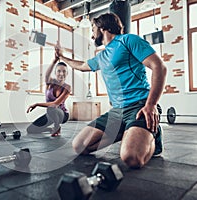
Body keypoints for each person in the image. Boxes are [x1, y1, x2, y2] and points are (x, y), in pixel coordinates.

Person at [55, 13, 167, 168]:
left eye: (93, 28)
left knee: (131, 158)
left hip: (140, 105)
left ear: (103, 27)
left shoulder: (128, 40)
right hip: (117, 111)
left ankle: (153, 138)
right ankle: (128, 131)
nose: (92, 34)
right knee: (79, 146)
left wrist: (151, 105)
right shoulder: (101, 56)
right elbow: (81, 66)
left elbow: (159, 67)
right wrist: (62, 57)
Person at [26, 53, 71, 137]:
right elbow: (46, 75)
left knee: (52, 107)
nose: (61, 73)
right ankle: (50, 129)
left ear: (67, 73)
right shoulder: (50, 83)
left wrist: (37, 104)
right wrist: (54, 61)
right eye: (59, 71)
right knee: (31, 130)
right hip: (51, 114)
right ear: (55, 72)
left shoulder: (67, 87)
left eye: (64, 71)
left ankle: (56, 127)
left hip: (62, 115)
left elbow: (55, 104)